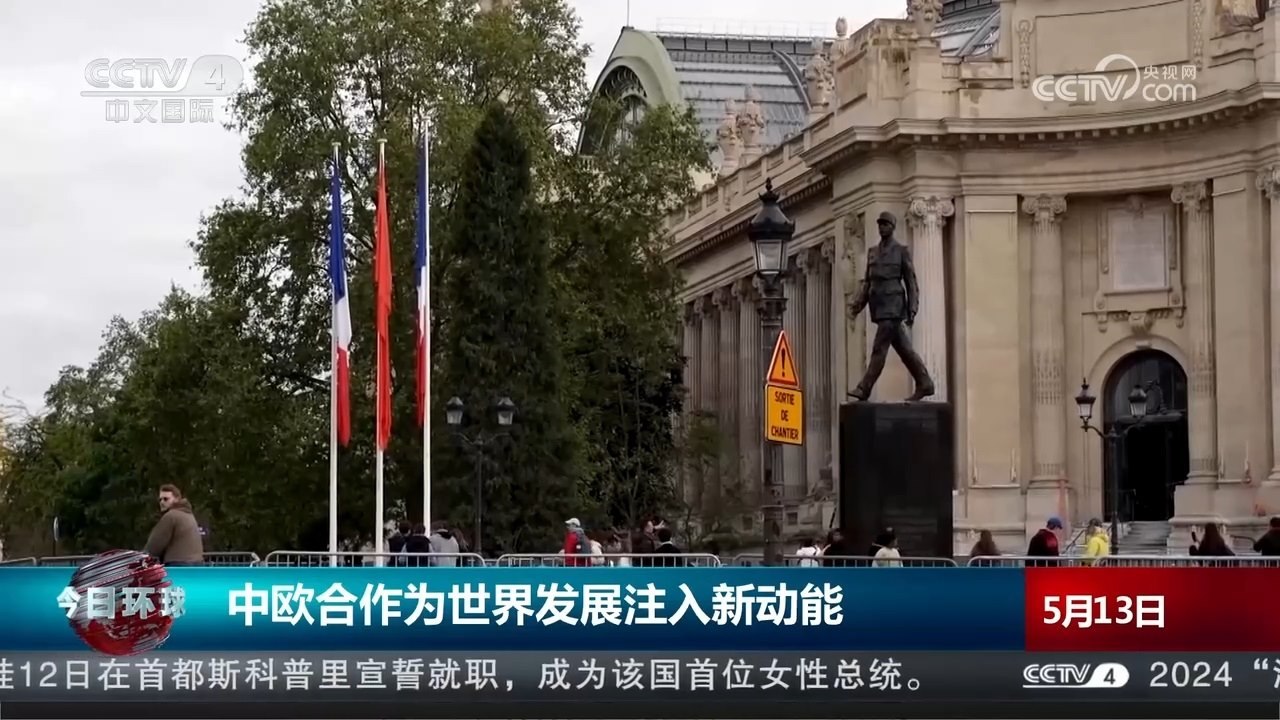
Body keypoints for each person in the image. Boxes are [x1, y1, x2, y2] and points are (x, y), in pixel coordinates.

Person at [846, 211, 935, 402]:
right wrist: (857, 305)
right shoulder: (872, 252)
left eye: (885, 224)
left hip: (893, 307)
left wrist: (912, 308)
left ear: (892, 227)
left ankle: (864, 388)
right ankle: (925, 382)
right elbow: (868, 283)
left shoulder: (901, 251)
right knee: (905, 350)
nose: (882, 227)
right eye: (880, 224)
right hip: (878, 307)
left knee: (879, 349)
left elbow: (911, 281)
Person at [143, 484, 204, 565]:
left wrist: (142, 559)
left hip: (177, 565)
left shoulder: (171, 516)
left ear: (177, 499)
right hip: (197, 564)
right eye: (160, 500)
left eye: (166, 499)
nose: (162, 502)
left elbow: (154, 545)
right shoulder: (189, 515)